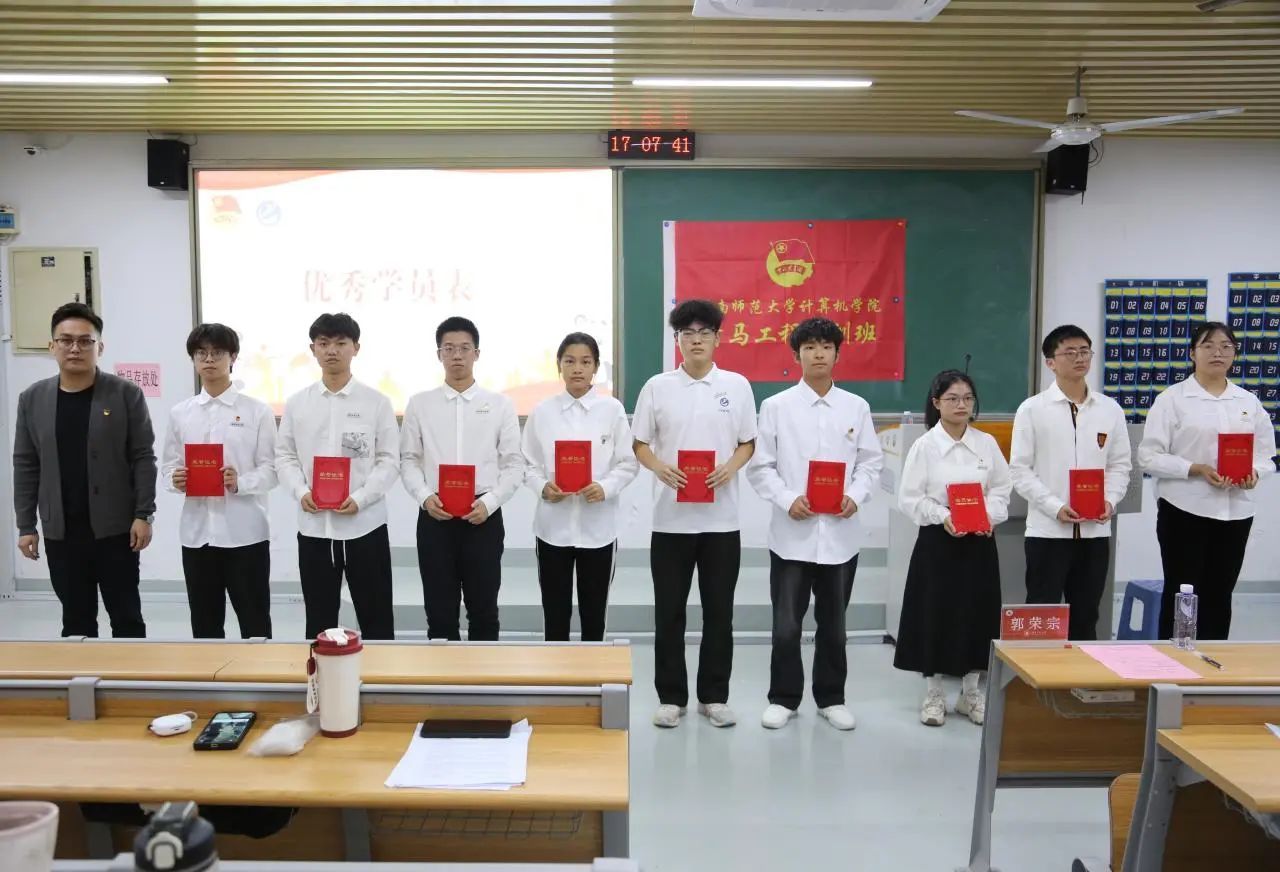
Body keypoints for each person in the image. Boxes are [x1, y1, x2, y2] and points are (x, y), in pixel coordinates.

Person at [747, 317, 883, 732]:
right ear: (797, 356)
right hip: (792, 536)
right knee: (786, 626)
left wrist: (855, 495)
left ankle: (831, 698)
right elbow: (760, 467)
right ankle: (783, 698)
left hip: (840, 538)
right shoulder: (776, 407)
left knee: (834, 627)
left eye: (825, 347)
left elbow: (871, 463)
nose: (818, 354)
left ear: (837, 354)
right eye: (809, 347)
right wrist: (788, 499)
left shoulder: (856, 407)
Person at [632, 299, 756, 729]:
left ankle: (714, 697)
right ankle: (671, 698)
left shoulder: (737, 386)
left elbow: (748, 442)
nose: (696, 340)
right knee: (669, 612)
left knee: (719, 613)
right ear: (678, 340)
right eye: (688, 333)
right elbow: (640, 443)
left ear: (718, 338)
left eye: (705, 333)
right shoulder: (657, 386)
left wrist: (731, 468)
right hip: (670, 522)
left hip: (722, 522)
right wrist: (659, 467)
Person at [13, 302, 156, 637]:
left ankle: (132, 671)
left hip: (117, 529)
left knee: (127, 617)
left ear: (99, 347)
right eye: (65, 340)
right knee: (76, 620)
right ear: (52, 346)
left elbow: (142, 457)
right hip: (61, 530)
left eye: (85, 341)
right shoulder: (32, 399)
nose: (74, 348)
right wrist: (26, 525)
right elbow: (26, 464)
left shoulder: (125, 394)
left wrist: (143, 514)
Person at [1139, 321, 1275, 640]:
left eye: (1226, 346)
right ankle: (1174, 660)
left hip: (1236, 512)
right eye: (1208, 345)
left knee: (1220, 592)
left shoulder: (1247, 402)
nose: (1218, 352)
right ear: (1192, 353)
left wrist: (1255, 473)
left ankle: (1213, 660)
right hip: (1184, 509)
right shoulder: (1173, 400)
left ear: (1235, 354)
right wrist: (1195, 468)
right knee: (1183, 591)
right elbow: (1148, 456)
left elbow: (1266, 455)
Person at [893, 370, 1011, 727]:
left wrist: (988, 515)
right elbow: (909, 498)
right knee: (935, 613)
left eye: (968, 398)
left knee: (977, 613)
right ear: (936, 403)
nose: (962, 405)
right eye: (953, 398)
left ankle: (970, 693)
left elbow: (1002, 490)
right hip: (938, 542)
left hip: (979, 542)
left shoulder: (986, 444)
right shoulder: (925, 446)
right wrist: (944, 515)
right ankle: (933, 694)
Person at [276, 313, 400, 640]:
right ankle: (323, 674)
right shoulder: (297, 403)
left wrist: (361, 498)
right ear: (313, 349)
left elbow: (389, 460)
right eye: (324, 343)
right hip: (315, 528)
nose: (332, 350)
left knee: (376, 619)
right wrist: (300, 491)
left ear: (356, 348)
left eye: (341, 343)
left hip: (365, 526)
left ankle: (380, 673)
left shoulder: (376, 402)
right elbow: (284, 455)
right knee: (319, 620)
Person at [401, 316, 524, 641]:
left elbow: (514, 464)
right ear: (439, 354)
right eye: (449, 348)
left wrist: (490, 503)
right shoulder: (420, 404)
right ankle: (442, 673)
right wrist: (424, 497)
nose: (457, 355)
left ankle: (483, 674)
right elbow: (409, 460)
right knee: (439, 612)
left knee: (484, 610)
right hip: (435, 514)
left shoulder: (499, 405)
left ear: (477, 354)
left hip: (482, 516)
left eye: (464, 348)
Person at [1010, 325, 1131, 641]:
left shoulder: (1110, 410)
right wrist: (1054, 506)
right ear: (1050, 362)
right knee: (1041, 614)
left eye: (1084, 351)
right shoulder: (1032, 409)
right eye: (1070, 352)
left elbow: (1120, 465)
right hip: (1048, 531)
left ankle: (1081, 672)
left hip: (1095, 532)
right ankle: (1039, 673)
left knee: (1086, 615)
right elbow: (1020, 470)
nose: (1080, 358)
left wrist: (1110, 500)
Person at [161, 323, 277, 638]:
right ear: (193, 359)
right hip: (197, 535)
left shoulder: (257, 411)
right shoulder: (180, 413)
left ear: (233, 357)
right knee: (204, 624)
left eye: (217, 353)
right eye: (201, 353)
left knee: (255, 622)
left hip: (246, 534)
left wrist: (241, 482)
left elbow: (272, 469)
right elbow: (169, 465)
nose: (209, 359)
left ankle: (260, 669)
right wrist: (175, 479)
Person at [522, 332, 638, 641]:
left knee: (594, 618)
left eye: (586, 362)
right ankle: (557, 672)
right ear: (558, 365)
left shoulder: (611, 410)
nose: (577, 369)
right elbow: (526, 464)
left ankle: (593, 672)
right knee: (555, 616)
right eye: (570, 361)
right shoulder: (542, 412)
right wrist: (542, 486)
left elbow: (628, 463)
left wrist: (605, 487)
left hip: (599, 530)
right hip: (552, 529)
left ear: (596, 367)